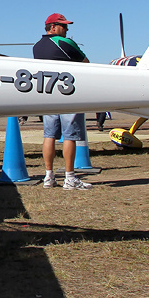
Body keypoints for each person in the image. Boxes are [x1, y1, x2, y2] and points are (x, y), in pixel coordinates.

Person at [33, 13, 91, 190]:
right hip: (68, 95)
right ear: (53, 27)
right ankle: (70, 177)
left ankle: (48, 176)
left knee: (49, 135)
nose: (66, 30)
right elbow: (86, 63)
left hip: (48, 96)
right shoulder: (65, 42)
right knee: (70, 136)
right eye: (63, 26)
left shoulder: (37, 47)